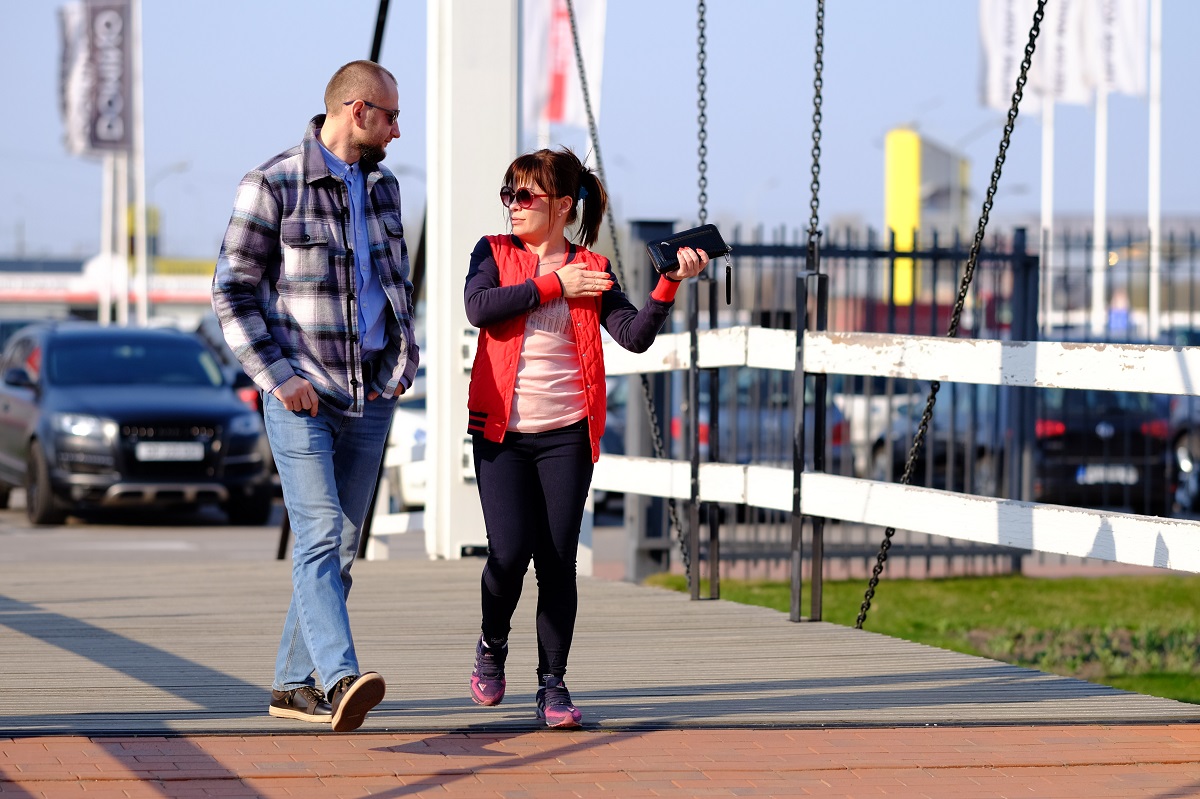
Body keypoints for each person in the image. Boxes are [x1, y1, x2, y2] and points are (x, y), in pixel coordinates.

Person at [464, 147, 708, 728]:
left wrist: (668, 284)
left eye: (525, 195)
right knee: (508, 554)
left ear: (562, 206)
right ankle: (492, 642)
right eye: (508, 193)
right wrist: (554, 285)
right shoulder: (493, 252)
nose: (512, 204)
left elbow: (634, 335)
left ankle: (553, 684)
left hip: (567, 435)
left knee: (556, 561)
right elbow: (480, 308)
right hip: (501, 434)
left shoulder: (593, 268)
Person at [211, 59, 419, 733]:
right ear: (357, 111)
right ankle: (339, 678)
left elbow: (395, 286)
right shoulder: (272, 183)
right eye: (390, 116)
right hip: (301, 394)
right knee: (321, 533)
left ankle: (290, 684)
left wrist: (403, 360)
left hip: (371, 395)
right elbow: (231, 290)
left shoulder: (384, 189)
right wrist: (278, 376)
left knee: (342, 545)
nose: (397, 130)